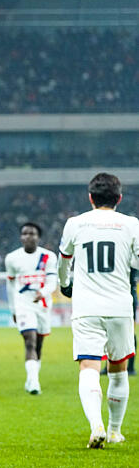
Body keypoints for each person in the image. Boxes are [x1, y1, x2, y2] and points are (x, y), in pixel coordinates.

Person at [58, 173, 137, 448]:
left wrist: (65, 285)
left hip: (86, 306)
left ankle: (96, 426)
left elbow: (64, 261)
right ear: (119, 198)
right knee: (118, 370)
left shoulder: (75, 223)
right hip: (119, 306)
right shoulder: (131, 225)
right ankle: (115, 431)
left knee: (89, 367)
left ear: (90, 198)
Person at [5, 222, 57, 395]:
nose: (28, 236)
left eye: (32, 233)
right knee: (30, 341)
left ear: (38, 237)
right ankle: (34, 383)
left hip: (42, 306)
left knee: (39, 345)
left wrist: (43, 292)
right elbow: (10, 285)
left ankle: (31, 378)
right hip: (23, 305)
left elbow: (52, 281)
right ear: (21, 237)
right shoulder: (12, 258)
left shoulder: (48, 257)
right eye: (25, 233)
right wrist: (13, 309)